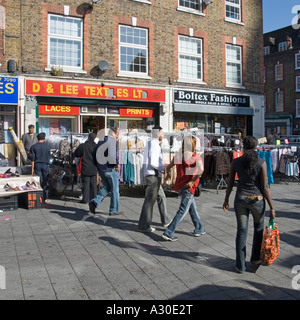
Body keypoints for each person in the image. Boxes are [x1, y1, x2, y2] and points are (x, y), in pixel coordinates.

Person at [223, 136, 276, 273]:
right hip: (257, 200)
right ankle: (255, 259)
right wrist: (272, 207)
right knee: (258, 229)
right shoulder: (261, 162)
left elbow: (230, 184)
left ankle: (240, 266)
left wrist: (226, 199)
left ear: (243, 147)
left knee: (241, 232)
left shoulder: (236, 162)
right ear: (256, 147)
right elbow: (265, 187)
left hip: (240, 199)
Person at [162, 135, 205, 241]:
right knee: (182, 210)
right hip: (189, 187)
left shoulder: (178, 156)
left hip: (181, 185)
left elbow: (168, 167)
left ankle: (199, 228)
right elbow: (201, 170)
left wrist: (167, 175)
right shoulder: (195, 157)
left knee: (191, 208)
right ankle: (169, 231)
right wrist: (192, 181)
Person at [137, 126, 170, 233]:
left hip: (153, 175)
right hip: (153, 176)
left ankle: (165, 220)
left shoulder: (150, 144)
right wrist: (163, 168)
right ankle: (144, 225)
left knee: (161, 197)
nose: (163, 135)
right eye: (162, 132)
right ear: (158, 133)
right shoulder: (154, 145)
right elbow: (154, 163)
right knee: (149, 200)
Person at [89, 127, 123, 216]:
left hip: (101, 169)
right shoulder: (111, 141)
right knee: (115, 190)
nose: (118, 136)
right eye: (117, 134)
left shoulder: (100, 141)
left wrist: (97, 165)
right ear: (113, 133)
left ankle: (94, 201)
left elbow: (93, 154)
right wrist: (116, 164)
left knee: (107, 187)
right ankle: (114, 209)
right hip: (110, 169)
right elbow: (112, 156)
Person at [74, 132, 98, 203]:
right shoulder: (96, 146)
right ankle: (94, 198)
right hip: (94, 168)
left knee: (86, 184)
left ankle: (85, 199)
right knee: (93, 184)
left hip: (85, 167)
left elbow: (77, 154)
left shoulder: (83, 146)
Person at [29, 132, 51, 204]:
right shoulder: (47, 146)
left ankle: (39, 197)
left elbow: (32, 159)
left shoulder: (33, 147)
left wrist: (32, 170)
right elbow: (49, 156)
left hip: (37, 164)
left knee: (39, 181)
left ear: (37, 138)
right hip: (45, 164)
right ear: (44, 139)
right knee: (46, 181)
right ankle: (46, 197)